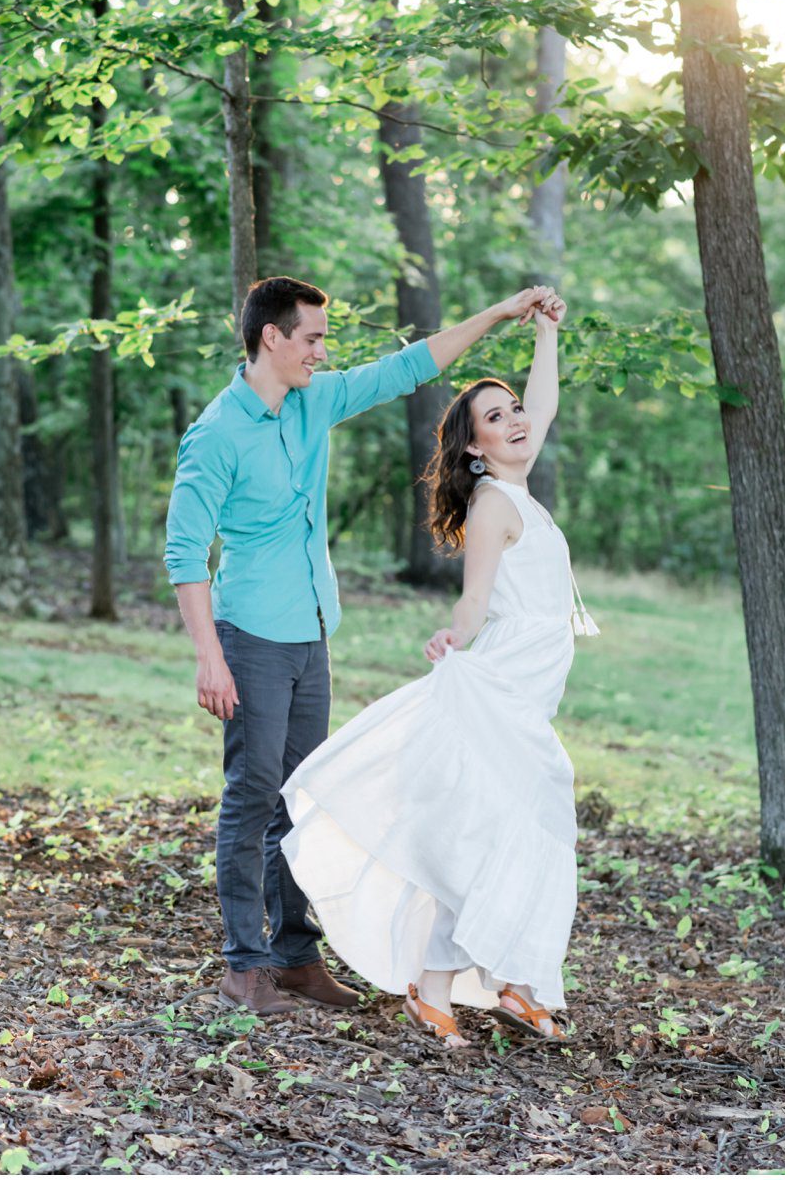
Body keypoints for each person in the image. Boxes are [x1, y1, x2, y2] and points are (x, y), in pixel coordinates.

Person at [165, 275, 545, 1018]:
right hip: (251, 636)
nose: (322, 350)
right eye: (311, 336)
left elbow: (411, 367)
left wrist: (500, 313)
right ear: (271, 337)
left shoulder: (314, 401)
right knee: (251, 797)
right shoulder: (216, 432)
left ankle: (296, 957)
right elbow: (185, 553)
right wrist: (210, 655)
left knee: (299, 801)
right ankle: (245, 967)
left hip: (311, 632)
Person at [280, 285, 589, 1047]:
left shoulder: (518, 483)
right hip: (500, 693)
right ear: (474, 447)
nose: (516, 420)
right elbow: (475, 599)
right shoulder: (493, 504)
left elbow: (543, 407)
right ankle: (436, 985)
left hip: (529, 696)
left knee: (523, 828)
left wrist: (547, 333)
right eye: (495, 417)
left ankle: (515, 983)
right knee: (497, 826)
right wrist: (453, 638)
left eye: (513, 408)